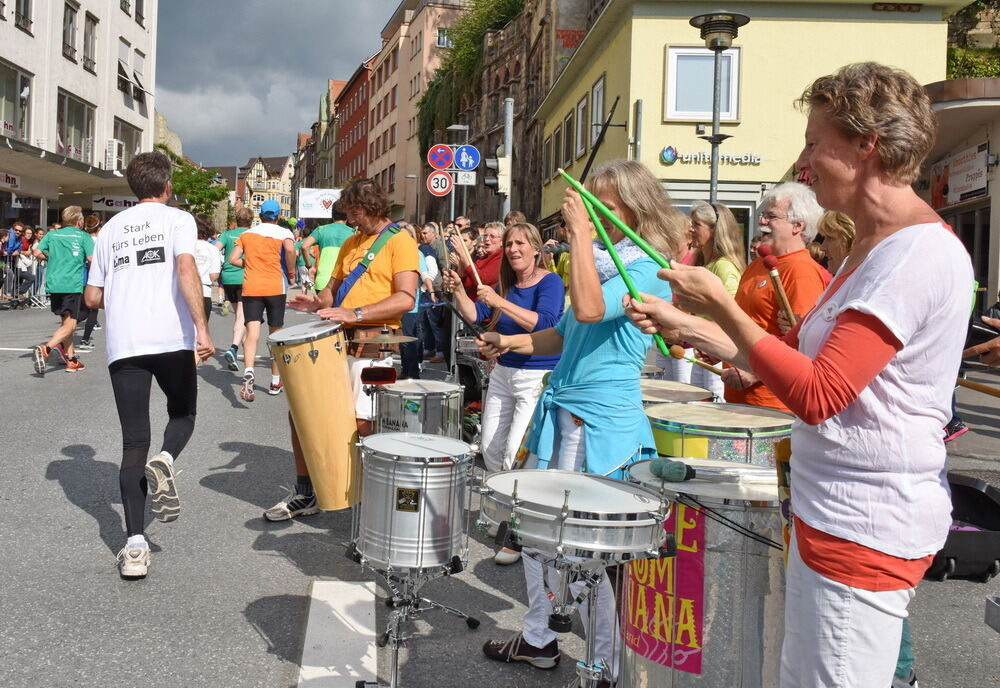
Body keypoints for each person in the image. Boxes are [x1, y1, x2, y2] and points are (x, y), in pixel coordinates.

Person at [623, 62, 974, 688]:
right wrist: (693, 326)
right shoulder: (872, 247)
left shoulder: (916, 252)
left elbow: (819, 393)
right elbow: (792, 357)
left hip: (863, 521)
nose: (804, 159)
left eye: (816, 141)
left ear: (867, 144)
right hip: (829, 510)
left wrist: (722, 306)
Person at [478, 160, 684, 686]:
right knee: (535, 533)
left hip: (600, 426)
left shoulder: (647, 268)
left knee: (591, 554)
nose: (593, 214)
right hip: (563, 414)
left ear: (637, 209)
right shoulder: (600, 263)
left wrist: (580, 236)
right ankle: (539, 637)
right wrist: (511, 342)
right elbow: (566, 335)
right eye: (591, 204)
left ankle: (604, 666)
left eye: (606, 206)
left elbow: (590, 310)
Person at [83, 151, 214, 578]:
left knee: (132, 443)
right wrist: (202, 328)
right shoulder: (178, 220)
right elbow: (185, 269)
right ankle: (167, 458)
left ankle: (134, 546)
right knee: (184, 414)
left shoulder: (108, 230)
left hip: (125, 343)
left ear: (133, 187)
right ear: (167, 185)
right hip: (171, 338)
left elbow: (91, 298)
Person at [268, 178, 419, 521]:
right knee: (303, 414)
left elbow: (406, 298)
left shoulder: (401, 242)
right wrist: (315, 304)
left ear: (372, 208)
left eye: (355, 213)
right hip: (337, 346)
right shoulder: (351, 242)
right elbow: (331, 295)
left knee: (363, 425)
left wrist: (357, 313)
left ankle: (372, 505)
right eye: (349, 214)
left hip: (375, 348)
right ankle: (306, 492)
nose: (351, 220)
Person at [444, 222, 564, 564]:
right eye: (509, 243)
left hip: (537, 374)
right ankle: (507, 514)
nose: (513, 249)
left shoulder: (550, 282)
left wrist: (500, 301)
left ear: (536, 249)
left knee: (516, 454)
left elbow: (545, 325)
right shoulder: (504, 287)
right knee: (491, 450)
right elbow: (476, 315)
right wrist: (459, 291)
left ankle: (520, 532)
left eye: (521, 243)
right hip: (503, 373)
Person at [719, 182, 830, 410]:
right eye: (762, 215)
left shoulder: (802, 271)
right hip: (738, 397)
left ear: (797, 225)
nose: (761, 222)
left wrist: (755, 373)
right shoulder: (759, 265)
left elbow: (801, 346)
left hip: (771, 404)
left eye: (771, 216)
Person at [658, 201, 746, 398]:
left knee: (713, 407)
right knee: (698, 405)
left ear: (715, 230)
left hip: (718, 354)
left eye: (697, 224)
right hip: (703, 350)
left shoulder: (723, 267)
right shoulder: (706, 265)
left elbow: (733, 312)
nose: (690, 229)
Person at [228, 200, 296, 400]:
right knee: (275, 333)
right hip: (276, 285)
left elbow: (232, 259)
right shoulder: (284, 232)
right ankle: (275, 381)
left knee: (252, 331)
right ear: (278, 215)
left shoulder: (247, 234)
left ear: (260, 216)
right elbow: (291, 251)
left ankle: (249, 371)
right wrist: (291, 271)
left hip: (252, 286)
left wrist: (249, 265)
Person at [32, 207, 93, 374]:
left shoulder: (52, 234)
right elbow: (91, 259)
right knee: (71, 325)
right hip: (71, 284)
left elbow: (36, 251)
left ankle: (72, 360)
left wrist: (51, 258)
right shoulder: (83, 236)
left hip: (54, 283)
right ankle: (46, 348)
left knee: (66, 323)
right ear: (79, 221)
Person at [218, 206, 253, 370]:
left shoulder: (226, 234)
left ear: (236, 220)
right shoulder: (252, 235)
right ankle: (233, 348)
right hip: (245, 277)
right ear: (251, 221)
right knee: (242, 317)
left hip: (227, 279)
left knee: (241, 319)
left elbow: (215, 248)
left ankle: (246, 356)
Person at [301, 204, 354, 288]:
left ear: (332, 216)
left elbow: (304, 246)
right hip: (344, 282)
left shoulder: (321, 230)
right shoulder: (354, 233)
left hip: (323, 281)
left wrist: (309, 266)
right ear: (347, 216)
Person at [457, 221, 503, 299]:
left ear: (502, 241)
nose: (487, 239)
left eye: (492, 236)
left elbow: (482, 280)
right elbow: (467, 282)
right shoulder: (484, 258)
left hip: (487, 307)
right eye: (485, 236)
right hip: (473, 305)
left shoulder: (501, 258)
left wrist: (464, 255)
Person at [78, 215, 103, 350]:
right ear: (98, 227)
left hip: (81, 277)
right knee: (91, 311)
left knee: (83, 310)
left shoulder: (83, 239)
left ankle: (66, 333)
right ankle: (84, 339)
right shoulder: (99, 241)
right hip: (94, 278)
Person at [193, 215, 222, 322]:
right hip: (204, 291)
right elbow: (214, 276)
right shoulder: (213, 250)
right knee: (201, 330)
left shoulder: (185, 246)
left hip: (183, 291)